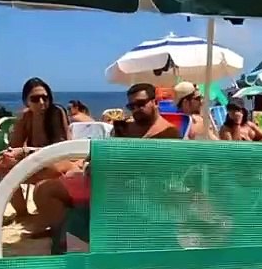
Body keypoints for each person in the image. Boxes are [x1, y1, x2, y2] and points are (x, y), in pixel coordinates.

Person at [26, 83, 179, 236]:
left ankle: (77, 236)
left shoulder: (168, 134)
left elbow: (159, 176)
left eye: (140, 104)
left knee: (49, 188)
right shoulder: (126, 127)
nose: (136, 110)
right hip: (103, 181)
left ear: (155, 102)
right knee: (43, 188)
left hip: (126, 191)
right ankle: (64, 233)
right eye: (131, 106)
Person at [0, 78, 72, 219]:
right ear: (26, 101)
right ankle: (22, 213)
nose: (42, 103)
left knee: (50, 167)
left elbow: (62, 149)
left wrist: (25, 151)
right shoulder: (26, 117)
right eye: (35, 99)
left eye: (45, 98)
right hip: (36, 161)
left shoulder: (56, 113)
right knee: (1, 164)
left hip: (59, 160)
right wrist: (10, 155)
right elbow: (15, 145)